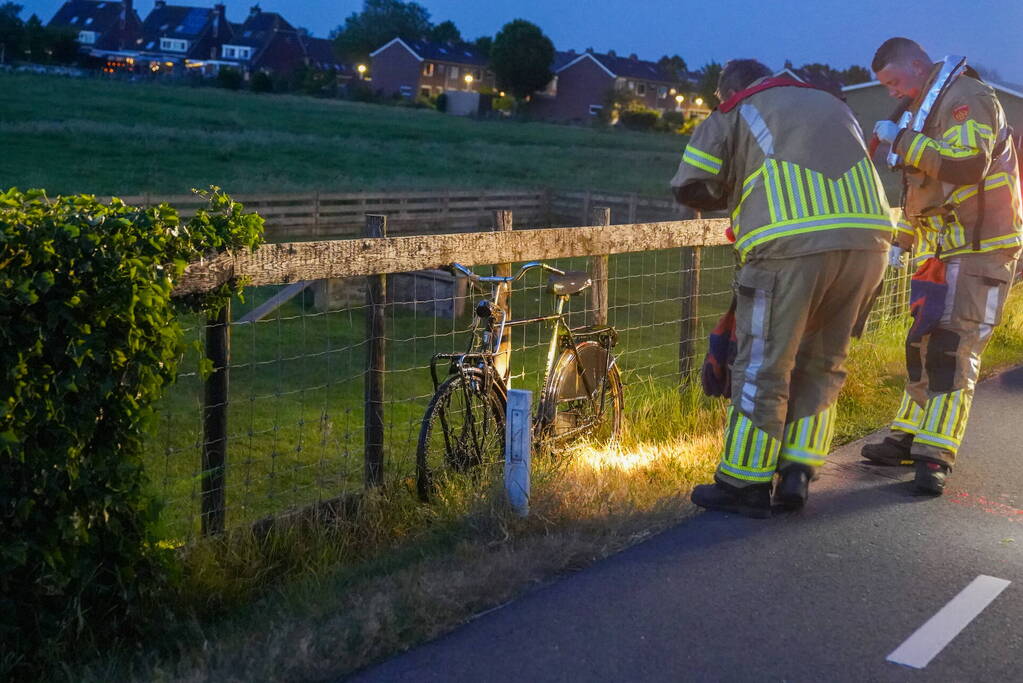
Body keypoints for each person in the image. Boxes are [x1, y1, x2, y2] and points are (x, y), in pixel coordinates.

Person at [671, 59, 891, 518]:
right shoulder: (833, 103)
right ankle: (797, 471)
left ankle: (744, 484)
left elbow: (691, 184)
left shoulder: (735, 107)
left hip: (789, 245)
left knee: (763, 364)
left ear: (727, 90)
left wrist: (733, 192)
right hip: (869, 241)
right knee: (824, 362)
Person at [860, 38, 1022, 494]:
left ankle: (935, 456)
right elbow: (925, 190)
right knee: (921, 346)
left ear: (916, 64)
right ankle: (909, 436)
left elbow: (966, 165)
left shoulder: (967, 98)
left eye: (893, 81)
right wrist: (905, 237)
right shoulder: (929, 103)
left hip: (980, 250)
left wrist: (905, 140)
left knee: (953, 349)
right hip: (940, 252)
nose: (891, 92)